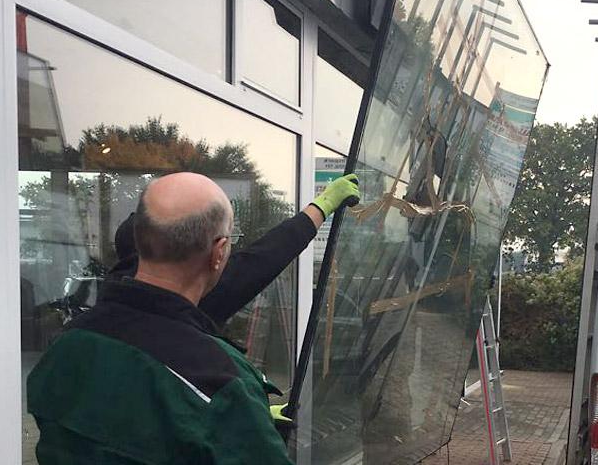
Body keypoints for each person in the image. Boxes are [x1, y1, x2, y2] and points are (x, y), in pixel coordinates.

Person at [27, 171, 360, 464]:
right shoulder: (219, 382)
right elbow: (262, 260)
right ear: (218, 253)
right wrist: (238, 421)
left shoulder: (64, 347)